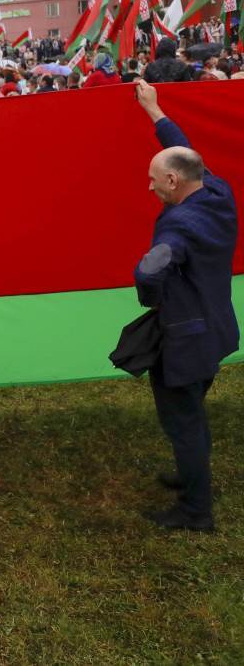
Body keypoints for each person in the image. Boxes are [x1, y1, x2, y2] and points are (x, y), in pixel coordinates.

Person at [132, 79, 238, 532]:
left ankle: (197, 512)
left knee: (184, 422)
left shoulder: (178, 226)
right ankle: (190, 474)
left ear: (173, 182)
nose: (150, 187)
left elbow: (150, 271)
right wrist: (153, 110)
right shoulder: (216, 192)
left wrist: (151, 299)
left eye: (154, 182)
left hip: (186, 341)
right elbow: (184, 148)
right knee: (191, 412)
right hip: (216, 331)